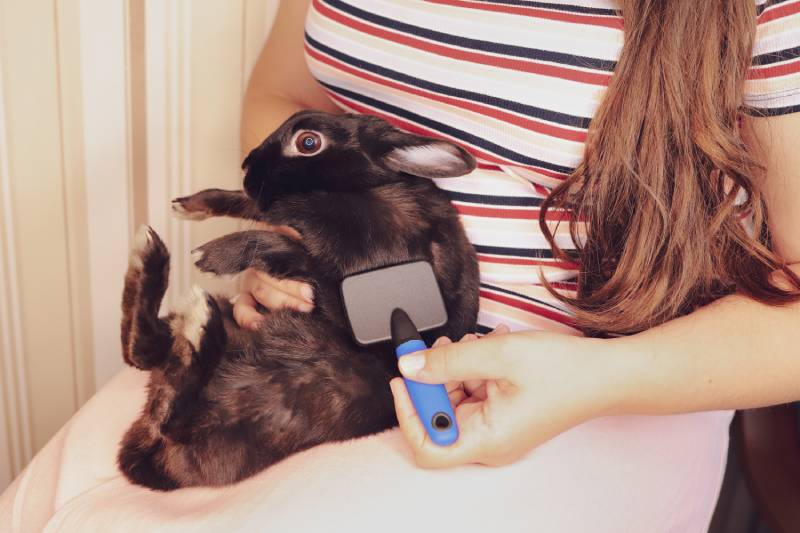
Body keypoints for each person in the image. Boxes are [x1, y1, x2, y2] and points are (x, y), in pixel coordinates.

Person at [237, 0, 800, 526]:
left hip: (607, 400)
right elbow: (282, 93)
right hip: (329, 345)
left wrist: (604, 378)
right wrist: (296, 235)